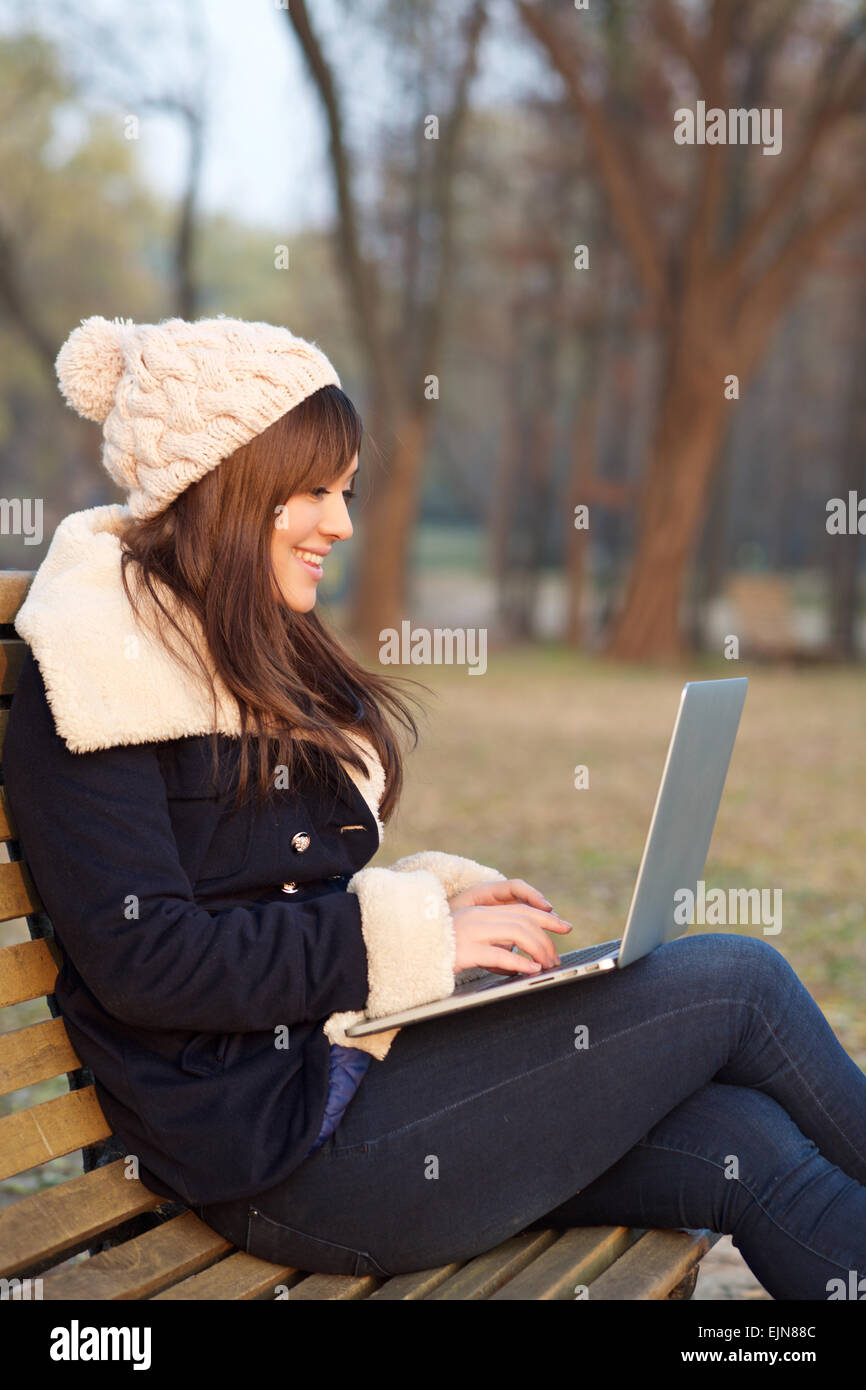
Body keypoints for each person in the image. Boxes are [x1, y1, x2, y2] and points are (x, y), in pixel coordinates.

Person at [4, 315, 865, 1301]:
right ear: (227, 482)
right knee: (736, 981)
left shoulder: (234, 643)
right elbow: (150, 959)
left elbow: (276, 892)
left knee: (741, 1142)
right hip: (278, 1159)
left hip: (352, 1076)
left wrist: (438, 901)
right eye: (313, 491)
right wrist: (414, 935)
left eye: (346, 493)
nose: (340, 523)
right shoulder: (93, 671)